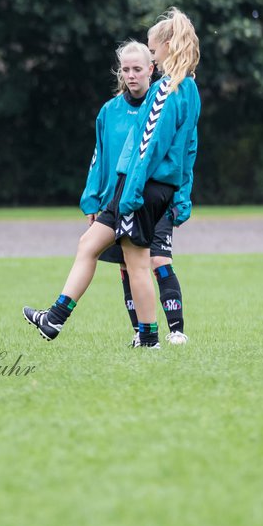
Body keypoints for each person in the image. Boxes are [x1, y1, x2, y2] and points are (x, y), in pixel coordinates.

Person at [25, 7, 201, 348]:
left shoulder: (168, 88)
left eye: (152, 50)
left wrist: (132, 194)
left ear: (165, 47)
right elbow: (189, 148)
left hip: (139, 188)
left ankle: (148, 338)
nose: (152, 54)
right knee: (88, 244)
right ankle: (54, 319)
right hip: (139, 187)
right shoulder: (189, 88)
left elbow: (148, 147)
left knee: (137, 263)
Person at [80, 41, 190, 345]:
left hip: (154, 198)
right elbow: (98, 157)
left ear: (151, 70)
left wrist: (181, 196)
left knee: (158, 260)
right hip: (120, 198)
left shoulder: (164, 102)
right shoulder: (109, 111)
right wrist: (92, 198)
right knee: (128, 264)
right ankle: (141, 333)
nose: (131, 75)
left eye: (137, 69)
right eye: (125, 70)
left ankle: (177, 330)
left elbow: (181, 150)